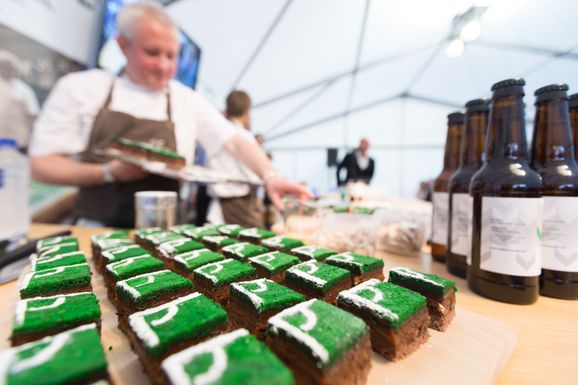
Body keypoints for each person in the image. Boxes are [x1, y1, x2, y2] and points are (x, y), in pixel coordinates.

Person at [28, 2, 311, 228]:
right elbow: (42, 166)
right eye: (152, 53)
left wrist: (270, 177)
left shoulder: (185, 99)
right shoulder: (83, 88)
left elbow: (235, 141)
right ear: (123, 45)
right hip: (97, 227)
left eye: (172, 56)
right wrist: (108, 172)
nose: (164, 66)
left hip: (167, 232)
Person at [207, 90, 263, 227]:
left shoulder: (215, 135)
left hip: (219, 202)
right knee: (257, 245)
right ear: (247, 111)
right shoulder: (245, 137)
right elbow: (256, 176)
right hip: (239, 204)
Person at [0, 50, 40, 150]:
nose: (4, 69)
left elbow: (33, 116)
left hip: (19, 144)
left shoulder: (23, 90)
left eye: (6, 66)